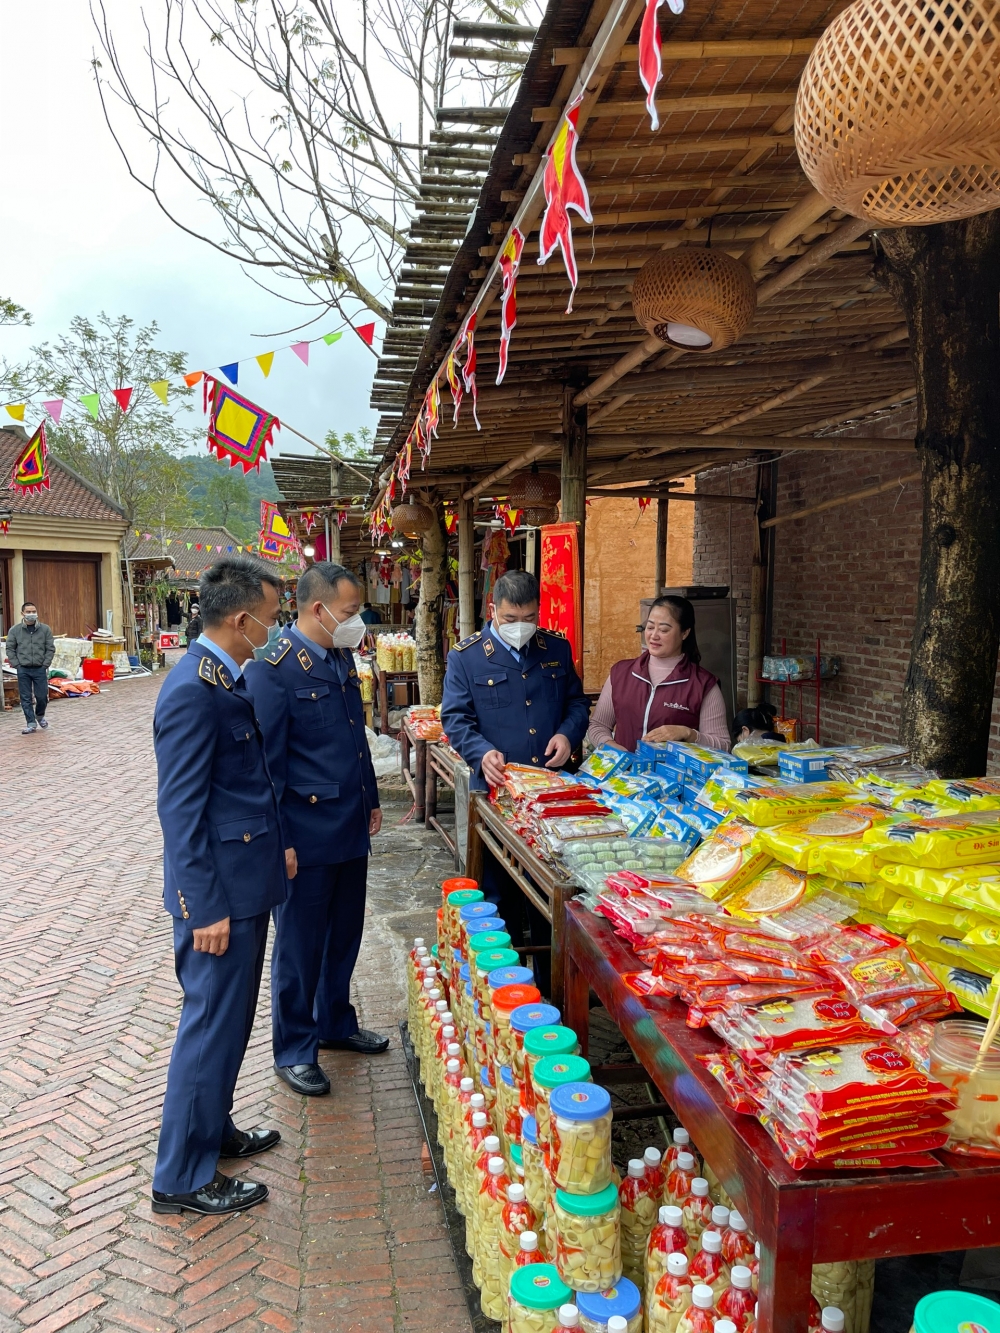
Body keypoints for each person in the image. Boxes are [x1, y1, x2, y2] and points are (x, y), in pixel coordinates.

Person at [150, 556, 288, 1217]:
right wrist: (202, 904)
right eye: (271, 614)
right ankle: (180, 1175)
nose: (275, 626)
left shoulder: (223, 678)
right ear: (243, 619)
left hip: (243, 884)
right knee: (208, 1027)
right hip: (217, 900)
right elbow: (181, 812)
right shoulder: (191, 690)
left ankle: (214, 1129)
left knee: (230, 1024)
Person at [246, 562, 387, 1097]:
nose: (357, 623)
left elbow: (356, 737)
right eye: (350, 613)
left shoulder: (340, 656)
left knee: (344, 935)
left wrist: (370, 797)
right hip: (304, 833)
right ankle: (294, 1048)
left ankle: (335, 1022)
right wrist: (279, 838)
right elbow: (268, 768)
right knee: (300, 947)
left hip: (349, 824)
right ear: (317, 609)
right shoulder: (273, 668)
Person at [441, 570, 590, 991]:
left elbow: (577, 702)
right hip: (497, 796)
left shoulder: (555, 649)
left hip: (548, 796)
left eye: (528, 617)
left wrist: (567, 733)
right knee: (498, 896)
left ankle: (552, 995)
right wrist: (479, 752)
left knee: (551, 904)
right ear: (493, 612)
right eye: (510, 618)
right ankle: (502, 993)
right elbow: (454, 718)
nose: (520, 625)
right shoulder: (467, 656)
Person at [587, 594, 729, 753]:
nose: (654, 636)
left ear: (685, 633)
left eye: (663, 629)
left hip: (675, 776)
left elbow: (722, 745)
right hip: (622, 774)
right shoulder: (621, 673)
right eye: (649, 627)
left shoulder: (702, 684)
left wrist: (688, 734)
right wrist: (612, 748)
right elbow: (598, 725)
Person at [6, 602, 55, 734]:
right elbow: (10, 648)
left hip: (40, 668)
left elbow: (50, 648)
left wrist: (45, 664)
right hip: (23, 669)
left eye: (33, 611)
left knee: (42, 697)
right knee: (25, 698)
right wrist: (16, 664)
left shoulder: (45, 629)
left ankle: (39, 715)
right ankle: (31, 723)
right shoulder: (15, 630)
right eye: (28, 612)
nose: (31, 614)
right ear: (22, 613)